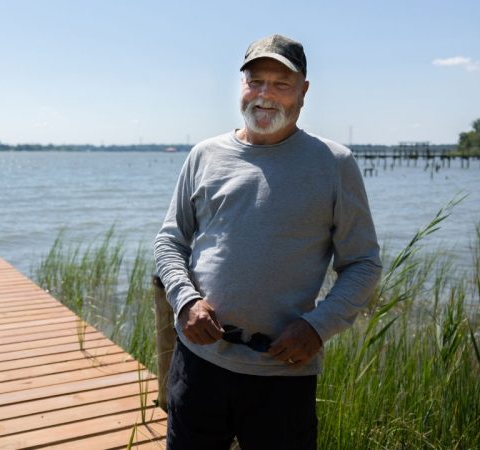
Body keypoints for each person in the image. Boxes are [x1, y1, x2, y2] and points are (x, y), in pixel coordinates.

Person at [153, 34, 382, 449]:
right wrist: (186, 301)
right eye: (256, 81)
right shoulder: (204, 155)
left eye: (281, 84)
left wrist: (316, 328)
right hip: (199, 363)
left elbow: (363, 262)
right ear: (241, 84)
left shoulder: (333, 164)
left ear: (303, 92)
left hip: (283, 373)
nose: (265, 95)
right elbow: (170, 241)